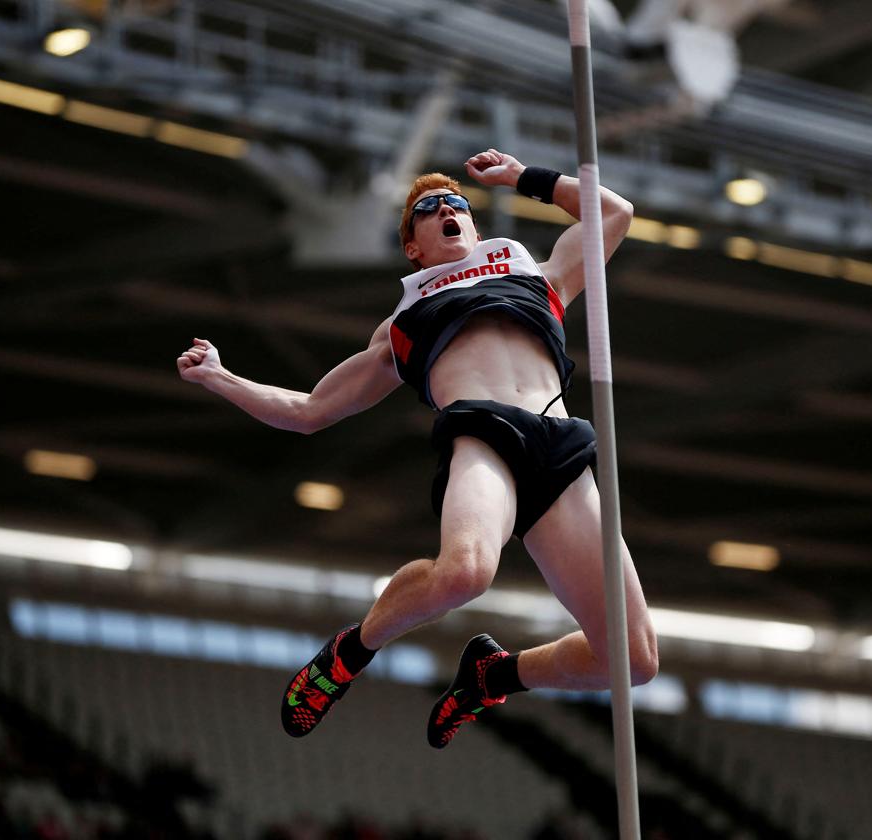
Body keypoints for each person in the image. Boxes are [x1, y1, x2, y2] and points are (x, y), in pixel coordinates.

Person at [177, 149, 658, 749]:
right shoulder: (404, 319)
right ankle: (352, 651)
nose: (449, 208)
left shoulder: (537, 274)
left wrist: (519, 177)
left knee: (633, 661)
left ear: (475, 225)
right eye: (431, 208)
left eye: (458, 203)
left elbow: (613, 213)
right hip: (485, 437)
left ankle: (493, 676)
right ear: (414, 247)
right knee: (465, 573)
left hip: (559, 446)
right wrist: (221, 377)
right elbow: (309, 412)